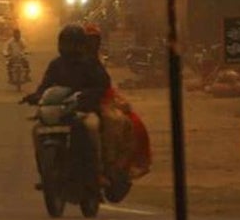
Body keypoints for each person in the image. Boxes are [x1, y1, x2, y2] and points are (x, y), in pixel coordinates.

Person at [22, 24, 111, 184]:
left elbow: (103, 84)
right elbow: (45, 85)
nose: (69, 47)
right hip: (60, 112)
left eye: (73, 43)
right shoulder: (56, 64)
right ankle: (45, 175)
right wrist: (35, 96)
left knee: (91, 127)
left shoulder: (90, 64)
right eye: (66, 43)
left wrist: (87, 95)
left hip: (84, 110)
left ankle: (98, 172)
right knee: (36, 130)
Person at [82, 22, 152, 180]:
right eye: (89, 40)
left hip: (102, 100)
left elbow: (105, 84)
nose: (92, 44)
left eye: (95, 40)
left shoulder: (97, 60)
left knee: (124, 122)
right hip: (81, 101)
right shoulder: (73, 61)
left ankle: (113, 165)